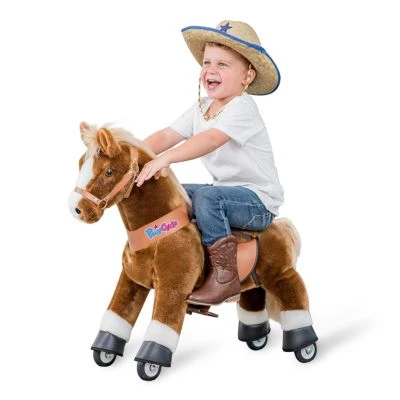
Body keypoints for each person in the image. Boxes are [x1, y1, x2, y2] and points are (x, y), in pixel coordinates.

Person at [135, 20, 284, 306]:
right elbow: (167, 135)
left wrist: (166, 158)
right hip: (224, 194)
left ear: (247, 76)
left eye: (223, 65)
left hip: (257, 201)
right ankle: (169, 250)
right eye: (207, 62)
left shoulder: (242, 107)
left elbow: (212, 139)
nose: (211, 70)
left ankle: (224, 277)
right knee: (174, 192)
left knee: (206, 198)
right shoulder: (202, 108)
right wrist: (134, 155)